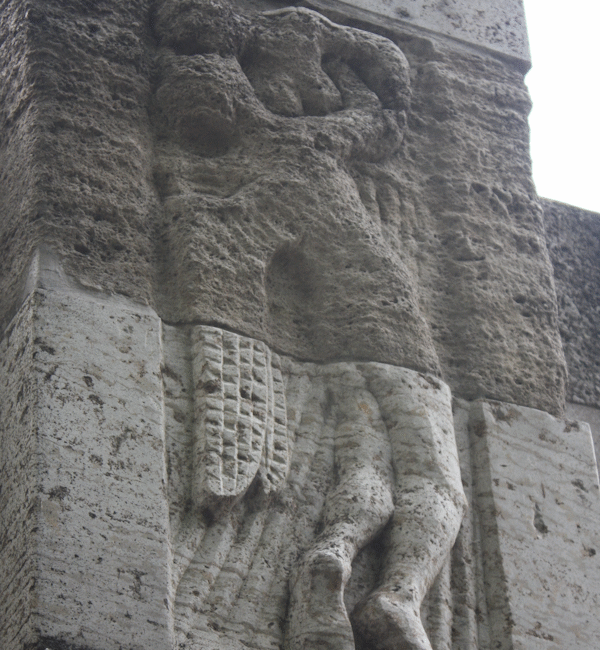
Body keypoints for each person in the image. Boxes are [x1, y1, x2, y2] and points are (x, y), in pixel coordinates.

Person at [152, 3, 466, 649]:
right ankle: (398, 593)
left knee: (367, 462)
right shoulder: (320, 144)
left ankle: (335, 548)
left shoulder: (248, 163)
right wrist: (345, 64)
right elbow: (388, 106)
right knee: (434, 482)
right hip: (394, 337)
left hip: (335, 350)